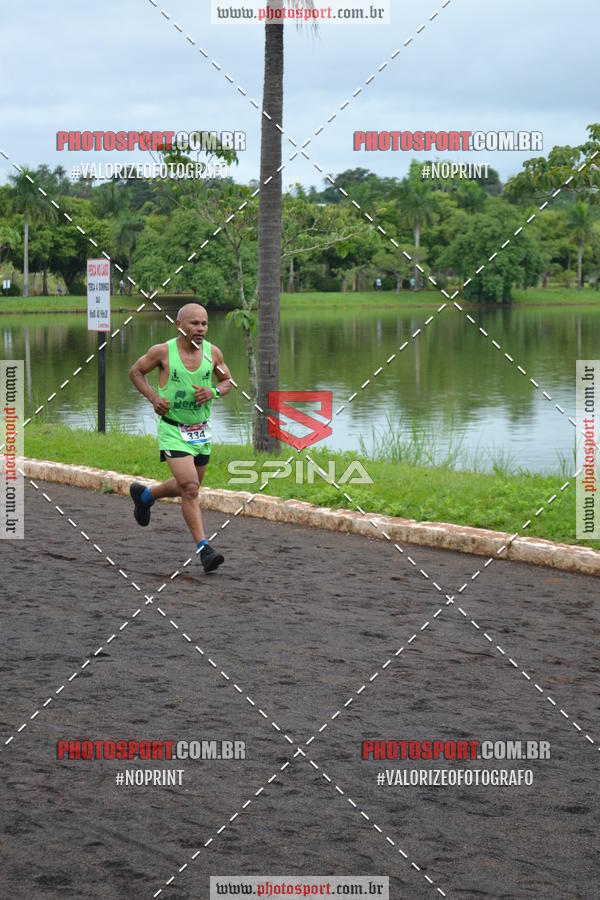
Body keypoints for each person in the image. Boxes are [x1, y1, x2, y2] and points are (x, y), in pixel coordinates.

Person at [128, 303, 233, 573]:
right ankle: (204, 549)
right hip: (173, 429)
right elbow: (135, 372)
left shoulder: (213, 354)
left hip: (200, 431)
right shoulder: (162, 352)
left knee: (190, 485)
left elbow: (227, 382)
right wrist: (154, 398)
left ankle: (146, 496)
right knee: (190, 488)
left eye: (204, 324)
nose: (200, 329)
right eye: (194, 323)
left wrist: (214, 392)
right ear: (179, 325)